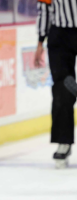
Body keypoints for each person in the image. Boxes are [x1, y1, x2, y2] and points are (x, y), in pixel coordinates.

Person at [35, 0, 77, 168]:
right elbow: (44, 9)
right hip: (59, 36)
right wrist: (40, 41)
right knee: (62, 89)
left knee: (65, 87)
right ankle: (63, 141)